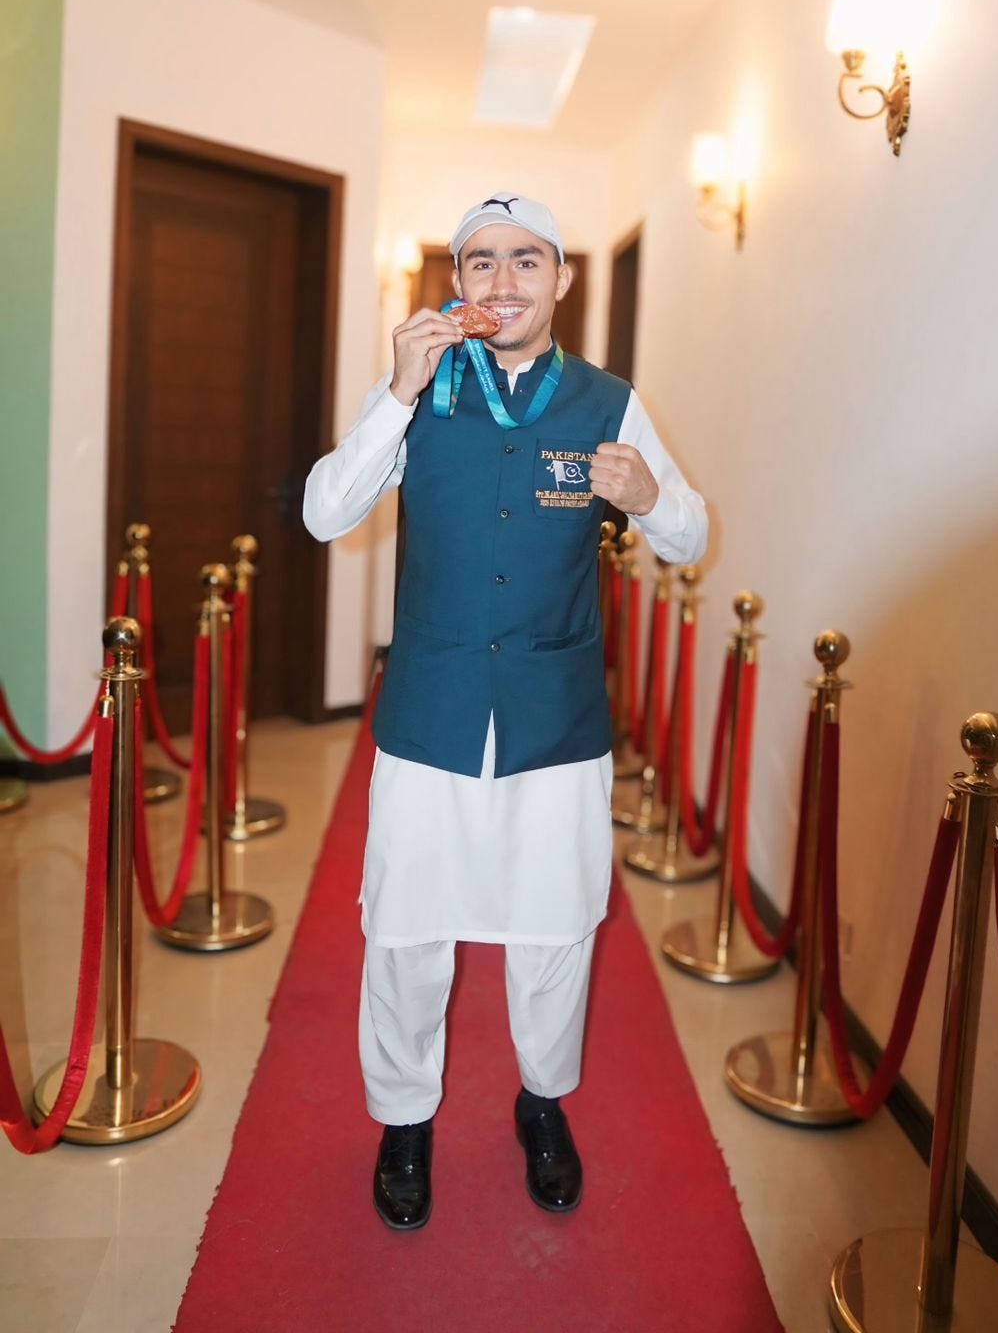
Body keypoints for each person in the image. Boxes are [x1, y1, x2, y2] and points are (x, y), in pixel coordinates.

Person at [303, 193, 707, 1231]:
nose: (503, 280)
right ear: (458, 282)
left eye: (526, 260)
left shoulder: (610, 402)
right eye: (480, 262)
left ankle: (542, 1103)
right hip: (432, 709)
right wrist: (395, 393)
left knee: (554, 927)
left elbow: (691, 535)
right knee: (405, 931)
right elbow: (325, 511)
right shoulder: (421, 387)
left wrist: (651, 499)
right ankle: (404, 1119)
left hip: (553, 716)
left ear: (560, 279)